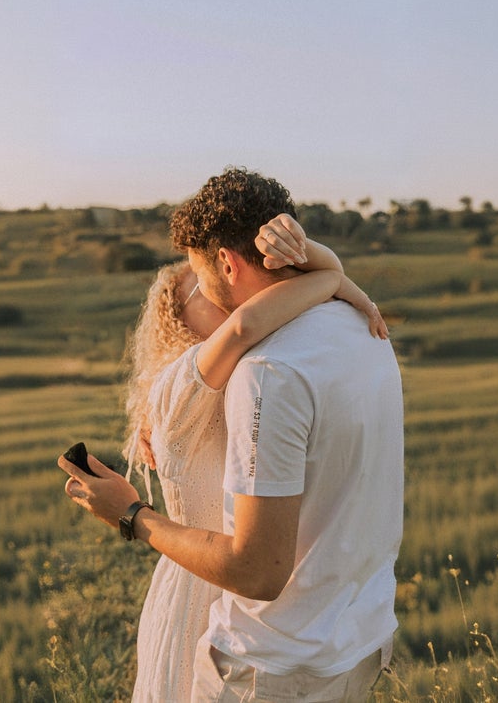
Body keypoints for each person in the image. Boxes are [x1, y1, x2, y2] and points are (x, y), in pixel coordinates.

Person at [60, 167, 404, 702]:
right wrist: (332, 275)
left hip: (272, 662)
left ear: (225, 261)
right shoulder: (366, 331)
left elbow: (258, 571)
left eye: (199, 274)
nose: (202, 292)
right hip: (356, 639)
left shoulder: (265, 371)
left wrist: (130, 515)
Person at [120, 229, 385, 701]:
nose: (219, 294)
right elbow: (246, 322)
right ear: (177, 321)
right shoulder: (179, 389)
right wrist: (333, 279)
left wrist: (331, 273)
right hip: (204, 585)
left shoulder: (246, 375)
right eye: (199, 289)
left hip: (239, 582)